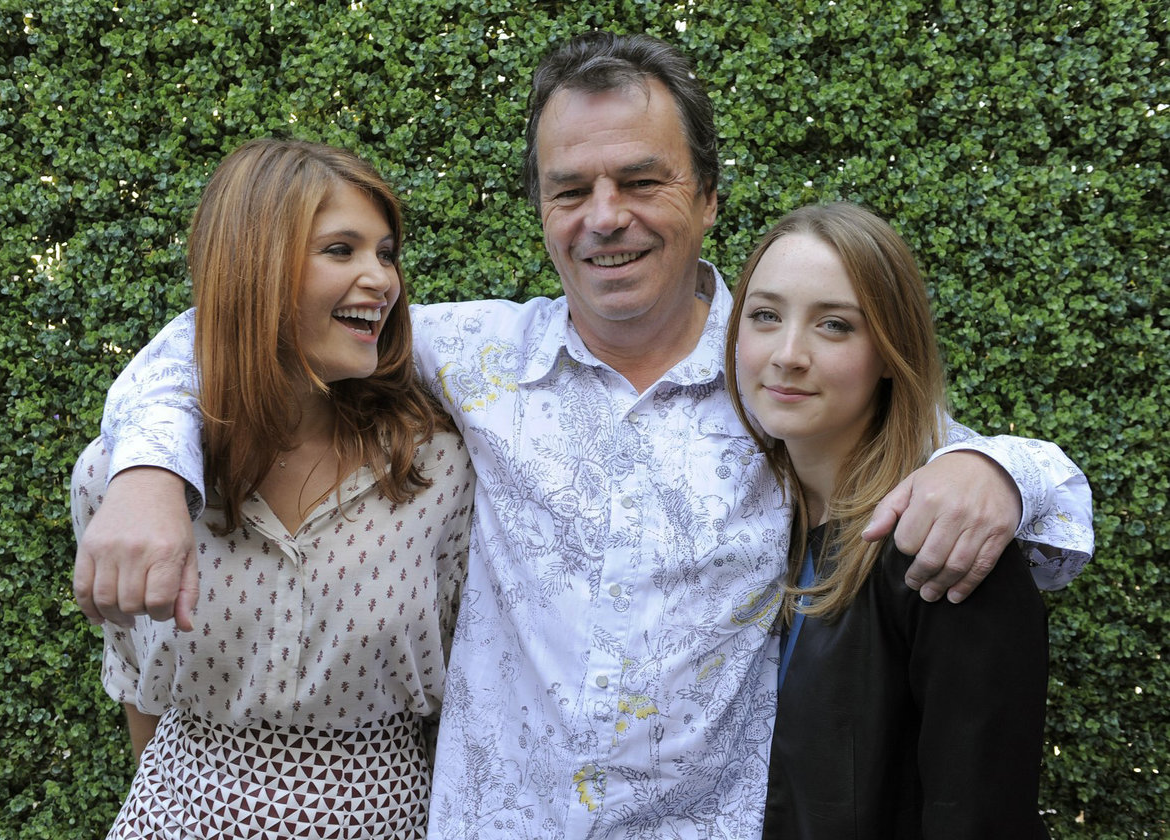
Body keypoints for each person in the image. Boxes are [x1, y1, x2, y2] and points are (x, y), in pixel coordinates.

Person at [73, 34, 1092, 839]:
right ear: (543, 213)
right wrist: (153, 474)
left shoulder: (778, 375)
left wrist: (991, 468)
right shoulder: (469, 360)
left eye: (641, 181)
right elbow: (227, 331)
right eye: (571, 190)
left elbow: (1022, 496)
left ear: (706, 198)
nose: (606, 216)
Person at [69, 138, 475, 838]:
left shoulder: (437, 468)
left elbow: (465, 699)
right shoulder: (122, 479)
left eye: (386, 252)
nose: (382, 279)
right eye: (341, 250)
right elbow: (139, 686)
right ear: (252, 267)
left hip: (385, 820)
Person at [726, 203, 1053, 838]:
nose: (787, 354)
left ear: (889, 351)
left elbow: (977, 817)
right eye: (765, 316)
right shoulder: (757, 519)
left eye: (835, 326)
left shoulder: (941, 545)